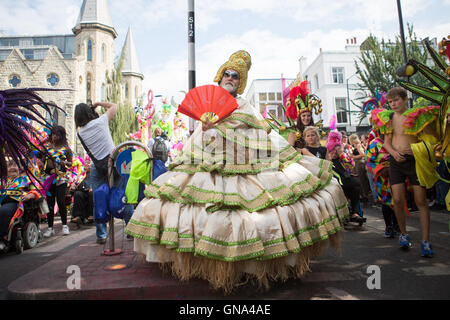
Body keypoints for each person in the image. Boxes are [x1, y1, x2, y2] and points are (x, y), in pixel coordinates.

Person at [125, 50, 350, 293]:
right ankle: (211, 267)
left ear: (239, 82)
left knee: (265, 211)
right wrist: (209, 128)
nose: (231, 78)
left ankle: (254, 267)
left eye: (236, 76)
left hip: (248, 163)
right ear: (220, 77)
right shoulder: (208, 109)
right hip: (210, 164)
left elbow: (262, 136)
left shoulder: (246, 107)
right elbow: (200, 145)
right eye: (227, 74)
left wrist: (237, 137)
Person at [381, 87, 434, 257]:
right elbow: (386, 142)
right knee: (397, 199)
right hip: (396, 162)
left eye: (396, 100)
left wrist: (419, 149)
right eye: (390, 101)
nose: (393, 104)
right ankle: (403, 234)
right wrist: (394, 153)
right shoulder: (389, 118)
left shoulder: (416, 116)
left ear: (405, 100)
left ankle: (426, 241)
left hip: (415, 160)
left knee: (420, 201)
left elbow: (429, 137)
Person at [75, 102, 133, 244]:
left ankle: (101, 234)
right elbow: (114, 106)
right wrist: (98, 104)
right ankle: (130, 229)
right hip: (113, 162)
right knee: (123, 194)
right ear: (90, 112)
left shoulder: (80, 132)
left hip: (97, 166)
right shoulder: (101, 122)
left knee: (98, 198)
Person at [0, 161, 39, 250]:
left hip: (15, 203)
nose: (12, 167)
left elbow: (36, 191)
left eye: (15, 165)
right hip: (2, 202)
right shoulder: (2, 181)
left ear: (19, 168)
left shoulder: (25, 179)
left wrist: (30, 195)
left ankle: (1, 239)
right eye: (9, 166)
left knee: (3, 211)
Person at [327, 131, 364, 224]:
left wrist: (342, 154)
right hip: (333, 174)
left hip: (343, 174)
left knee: (356, 186)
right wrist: (335, 154)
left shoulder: (341, 151)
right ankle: (347, 212)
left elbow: (350, 165)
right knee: (345, 186)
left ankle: (355, 212)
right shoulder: (329, 150)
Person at [42, 126, 73, 237]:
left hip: (61, 178)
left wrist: (64, 162)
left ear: (61, 135)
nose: (54, 136)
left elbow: (71, 164)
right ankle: (50, 228)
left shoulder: (66, 149)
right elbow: (42, 162)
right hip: (49, 178)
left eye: (57, 134)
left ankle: (65, 225)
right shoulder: (46, 147)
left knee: (60, 201)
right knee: (50, 203)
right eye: (53, 134)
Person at [70, 156, 94, 225]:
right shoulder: (82, 174)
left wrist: (92, 187)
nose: (87, 165)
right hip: (83, 191)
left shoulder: (94, 173)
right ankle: (78, 216)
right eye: (85, 164)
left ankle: (91, 215)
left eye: (88, 163)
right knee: (77, 194)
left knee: (91, 193)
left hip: (91, 190)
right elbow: (77, 183)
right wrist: (74, 186)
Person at [349, 133, 371, 204]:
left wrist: (353, 157)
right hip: (357, 164)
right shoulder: (357, 145)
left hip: (359, 163)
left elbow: (363, 154)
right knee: (359, 180)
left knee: (361, 180)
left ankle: (365, 196)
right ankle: (363, 196)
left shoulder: (358, 145)